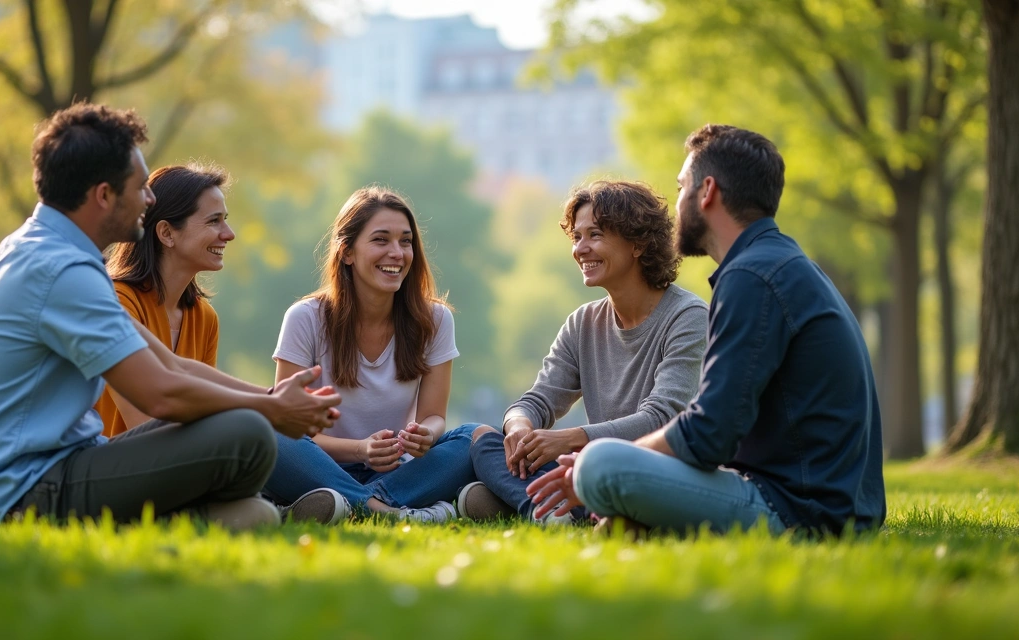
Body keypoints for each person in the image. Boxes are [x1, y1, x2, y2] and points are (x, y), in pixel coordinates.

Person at [0, 103, 341, 529]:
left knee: (251, 483)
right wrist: (270, 411)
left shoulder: (46, 251)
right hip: (21, 494)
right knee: (250, 435)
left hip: (45, 474)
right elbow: (160, 396)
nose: (149, 200)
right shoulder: (61, 271)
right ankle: (208, 514)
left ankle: (222, 515)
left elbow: (171, 364)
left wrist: (269, 400)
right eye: (140, 187)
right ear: (104, 195)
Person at [528, 124, 886, 536]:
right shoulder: (778, 263)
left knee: (599, 464)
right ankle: (636, 523)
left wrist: (604, 456)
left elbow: (709, 432)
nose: (677, 202)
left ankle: (627, 514)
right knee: (604, 462)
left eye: (682, 187)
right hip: (832, 505)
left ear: (707, 192)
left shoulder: (753, 276)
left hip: (799, 512)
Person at [457, 180, 708, 524]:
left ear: (637, 243)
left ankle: (544, 505)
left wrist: (572, 440)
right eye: (577, 237)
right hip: (589, 465)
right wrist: (518, 427)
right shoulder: (583, 322)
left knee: (481, 496)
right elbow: (539, 399)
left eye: (595, 235)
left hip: (657, 468)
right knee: (486, 443)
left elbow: (663, 418)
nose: (580, 249)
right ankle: (558, 513)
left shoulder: (688, 317)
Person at [261, 187, 476, 525]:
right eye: (381, 240)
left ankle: (347, 504)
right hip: (320, 464)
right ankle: (391, 512)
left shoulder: (435, 320)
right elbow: (290, 425)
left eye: (405, 242)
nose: (397, 253)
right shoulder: (305, 318)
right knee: (267, 431)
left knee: (472, 439)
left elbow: (434, 416)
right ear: (346, 252)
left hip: (397, 471)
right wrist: (360, 450)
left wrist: (426, 436)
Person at [95, 163, 235, 437]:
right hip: (118, 467)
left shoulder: (204, 318)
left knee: (272, 430)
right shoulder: (116, 302)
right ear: (167, 233)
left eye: (225, 219)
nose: (229, 233)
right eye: (213, 221)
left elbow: (208, 409)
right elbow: (145, 424)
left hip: (185, 462)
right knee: (267, 429)